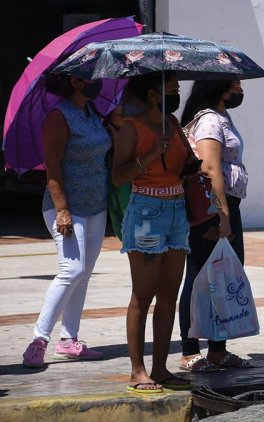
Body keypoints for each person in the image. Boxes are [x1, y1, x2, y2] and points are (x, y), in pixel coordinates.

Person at [112, 71, 193, 393]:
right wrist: (148, 156)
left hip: (177, 212)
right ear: (152, 95)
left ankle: (160, 368)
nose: (176, 94)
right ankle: (137, 370)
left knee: (169, 296)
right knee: (143, 295)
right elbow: (118, 176)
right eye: (172, 89)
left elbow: (185, 164)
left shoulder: (172, 124)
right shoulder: (131, 129)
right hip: (146, 212)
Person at [21, 74, 109, 368]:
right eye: (92, 77)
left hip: (96, 205)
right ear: (76, 82)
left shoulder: (92, 112)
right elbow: (53, 164)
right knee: (72, 269)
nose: (98, 80)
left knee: (84, 274)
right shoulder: (59, 116)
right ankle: (38, 340)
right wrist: (62, 209)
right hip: (66, 207)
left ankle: (69, 340)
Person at [176, 79, 254, 372]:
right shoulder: (209, 120)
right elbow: (210, 169)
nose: (239, 91)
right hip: (212, 207)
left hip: (227, 205)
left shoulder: (222, 116)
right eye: (234, 85)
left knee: (223, 278)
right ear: (219, 88)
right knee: (199, 277)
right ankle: (189, 350)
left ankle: (218, 350)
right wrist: (222, 215)